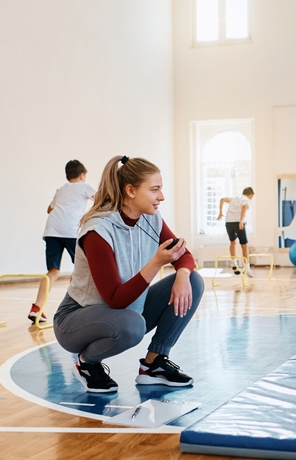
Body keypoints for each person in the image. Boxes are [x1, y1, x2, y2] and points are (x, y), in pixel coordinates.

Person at [53, 156, 204, 393]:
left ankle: (153, 364)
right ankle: (86, 364)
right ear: (131, 190)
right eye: (155, 190)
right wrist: (156, 263)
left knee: (193, 281)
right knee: (133, 325)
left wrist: (183, 275)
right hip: (75, 321)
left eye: (160, 189)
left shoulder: (151, 218)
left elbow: (183, 255)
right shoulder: (98, 230)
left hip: (125, 312)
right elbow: (115, 298)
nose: (161, 196)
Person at [30, 160, 96, 324]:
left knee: (53, 271)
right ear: (82, 175)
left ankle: (36, 308)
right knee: (81, 269)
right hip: (71, 230)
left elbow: (49, 209)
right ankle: (76, 307)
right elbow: (101, 199)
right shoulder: (85, 186)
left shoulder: (61, 189)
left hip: (52, 230)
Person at [217, 187, 255, 276]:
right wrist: (241, 220)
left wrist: (220, 213)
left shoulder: (234, 198)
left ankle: (234, 263)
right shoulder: (246, 200)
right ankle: (247, 269)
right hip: (238, 223)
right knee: (244, 245)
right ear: (250, 195)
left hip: (228, 222)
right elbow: (245, 206)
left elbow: (222, 199)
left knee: (233, 242)